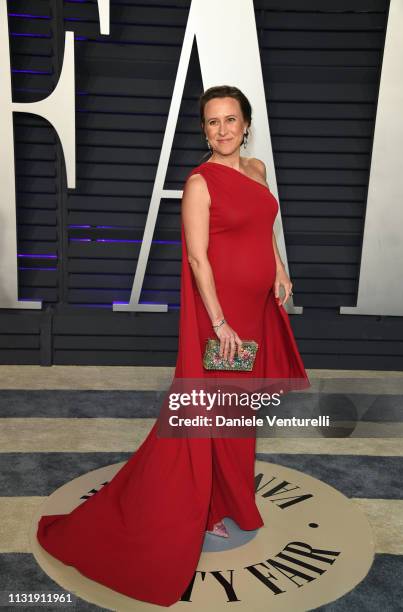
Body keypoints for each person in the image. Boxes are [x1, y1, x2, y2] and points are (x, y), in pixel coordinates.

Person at [36, 85, 310, 607]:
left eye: (231, 120)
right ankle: (203, 509)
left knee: (238, 409)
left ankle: (232, 498)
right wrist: (220, 322)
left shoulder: (257, 172)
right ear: (203, 129)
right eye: (213, 122)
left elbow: (265, 229)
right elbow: (198, 259)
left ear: (246, 124)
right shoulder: (200, 183)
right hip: (221, 319)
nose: (223, 130)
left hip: (255, 311)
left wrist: (278, 270)